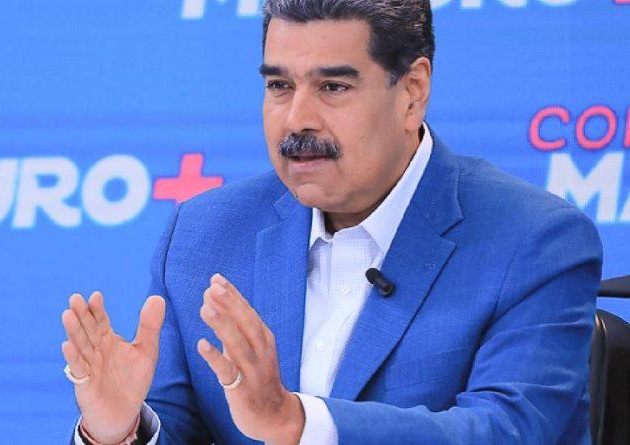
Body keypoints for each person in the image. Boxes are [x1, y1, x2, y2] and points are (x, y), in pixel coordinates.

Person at [61, 1, 602, 443]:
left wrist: (296, 423)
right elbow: (178, 429)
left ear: (412, 91)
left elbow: (506, 431)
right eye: (279, 86)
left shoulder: (534, 241)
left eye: (333, 87)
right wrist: (120, 431)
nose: (297, 119)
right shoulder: (203, 235)